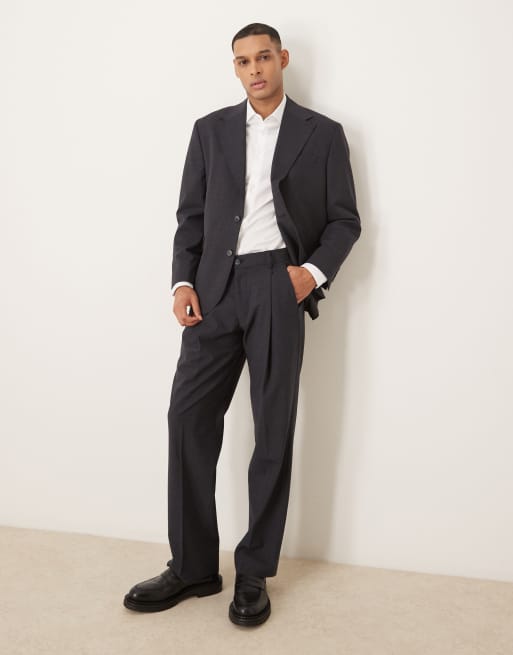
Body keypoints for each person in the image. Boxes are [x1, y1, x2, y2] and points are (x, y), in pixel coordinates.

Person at [123, 22, 361, 627]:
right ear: (234, 68)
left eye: (263, 58)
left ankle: (253, 570)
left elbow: (344, 220)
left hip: (278, 285)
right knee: (187, 419)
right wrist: (182, 282)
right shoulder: (210, 131)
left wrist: (309, 274)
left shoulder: (323, 133)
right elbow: (191, 216)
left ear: (283, 59)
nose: (254, 69)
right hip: (213, 291)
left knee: (271, 430)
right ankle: (193, 566)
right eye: (242, 61)